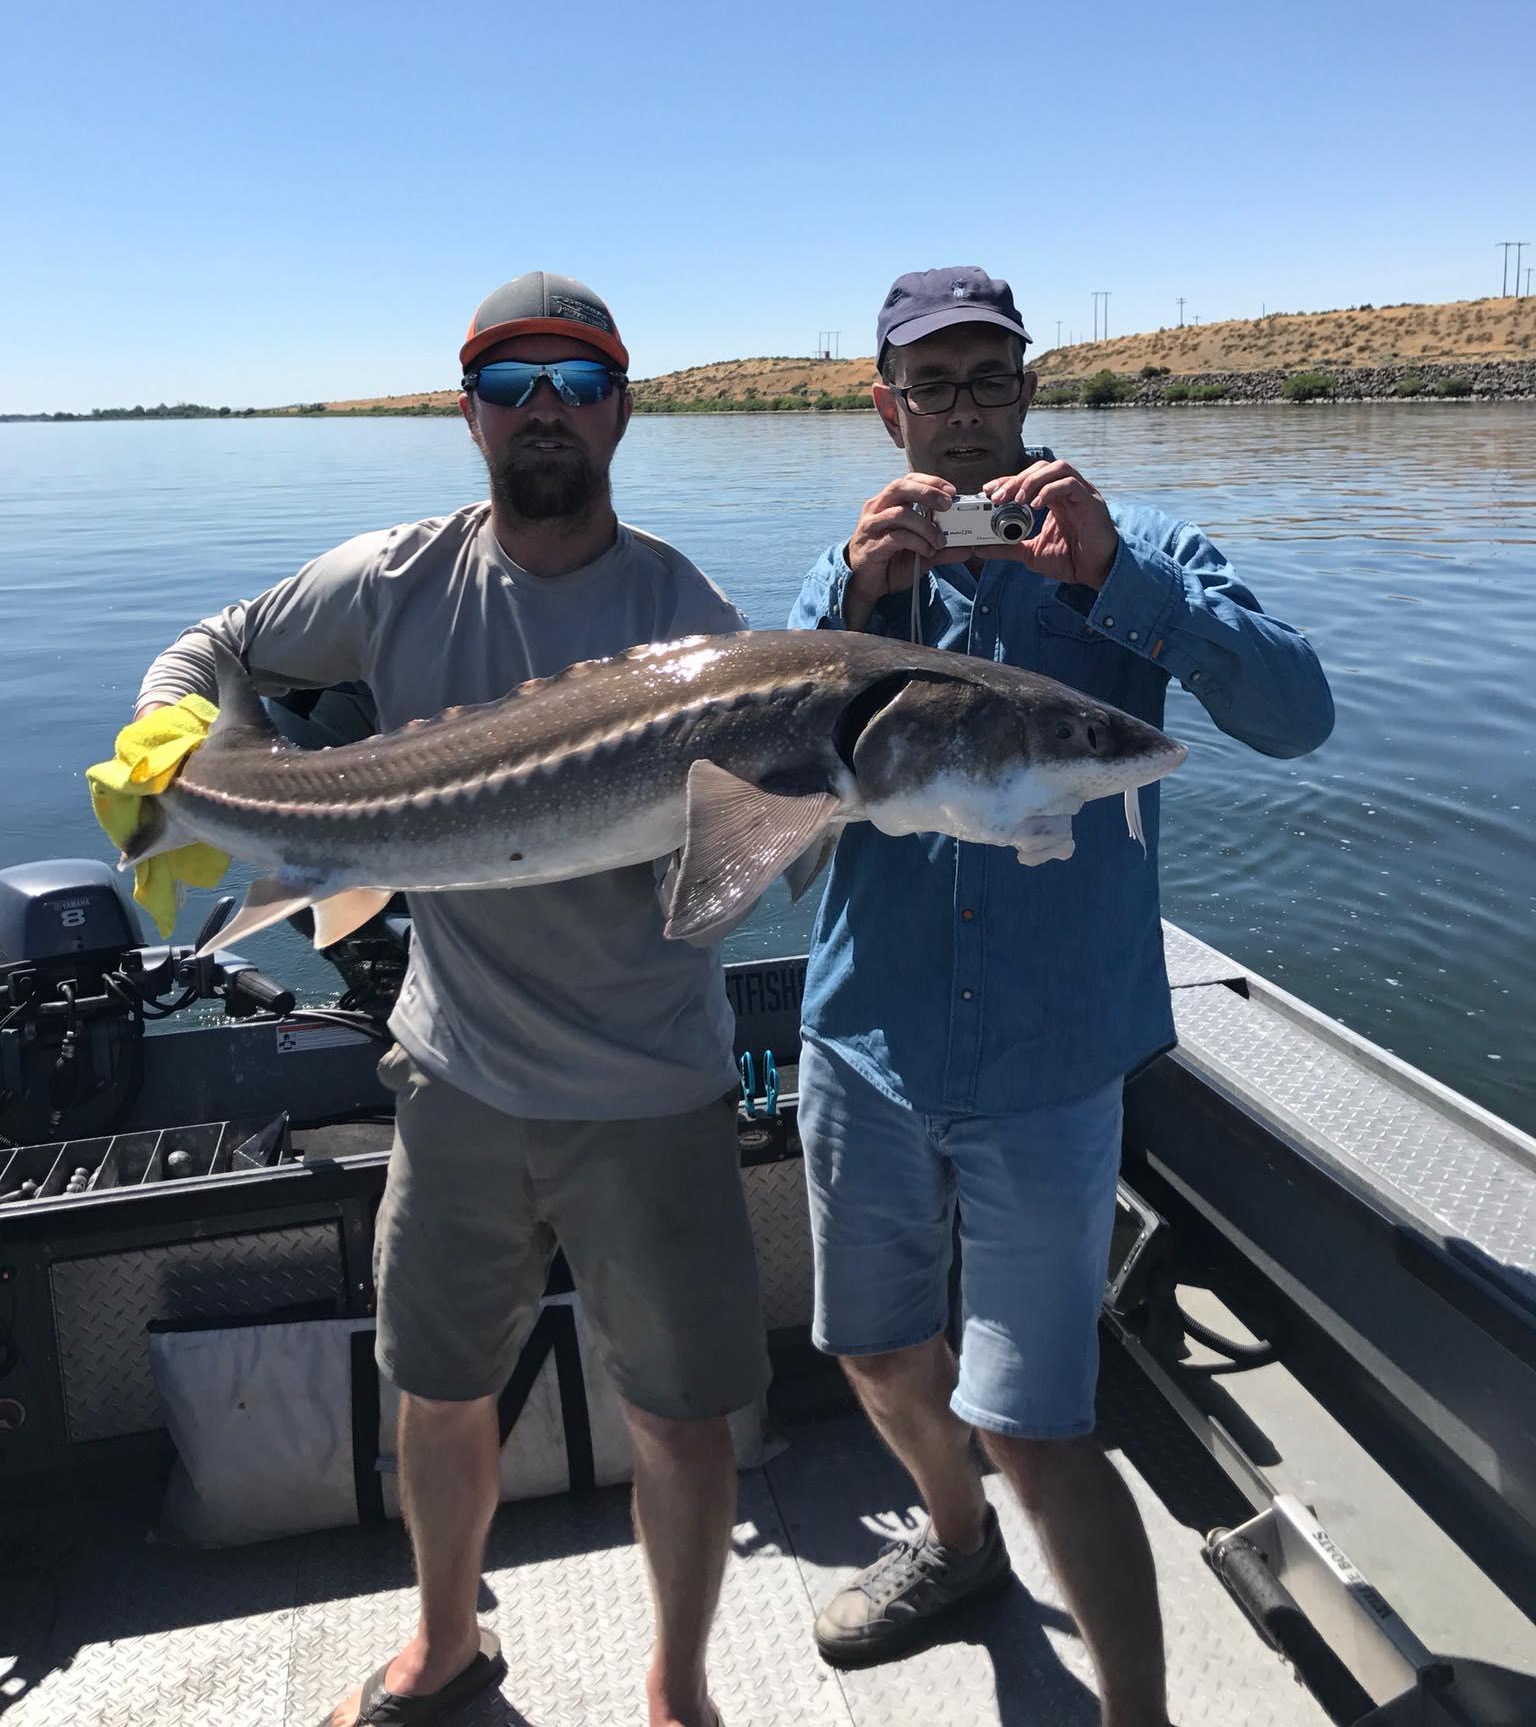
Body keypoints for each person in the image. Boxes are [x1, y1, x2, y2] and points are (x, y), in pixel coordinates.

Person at [134, 272, 767, 1727]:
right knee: (435, 1386)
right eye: (511, 383)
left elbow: (730, 878)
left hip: (652, 1086)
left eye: (579, 382)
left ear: (623, 409)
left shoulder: (692, 616)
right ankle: (444, 1641)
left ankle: (676, 1690)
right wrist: (172, 732)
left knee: (684, 1414)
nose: (545, 410)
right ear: (466, 410)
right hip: (458, 1075)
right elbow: (218, 647)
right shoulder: (393, 579)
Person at [787, 265, 1334, 1727]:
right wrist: (851, 598)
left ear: (1032, 390)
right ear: (885, 402)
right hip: (869, 1038)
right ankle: (956, 1553)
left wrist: (1113, 583)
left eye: (991, 381)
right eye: (934, 386)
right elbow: (759, 779)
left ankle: (1134, 1716)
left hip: (1052, 1056)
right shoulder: (841, 577)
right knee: (876, 1352)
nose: (965, 420)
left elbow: (1297, 715)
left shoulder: (1137, 547)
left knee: (1037, 1426)